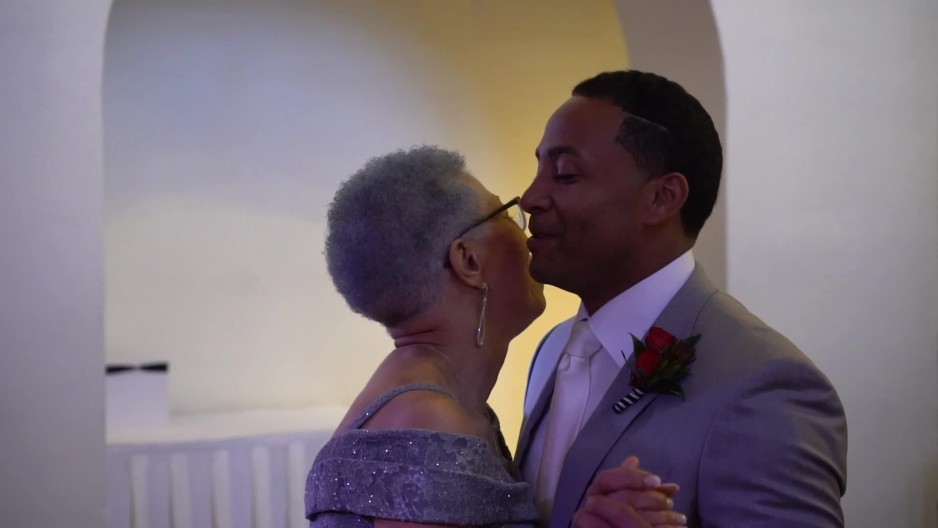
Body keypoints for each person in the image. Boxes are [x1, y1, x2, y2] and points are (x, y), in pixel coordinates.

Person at [515, 70, 848, 528]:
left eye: (565, 175)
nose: (531, 198)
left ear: (662, 198)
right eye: (538, 171)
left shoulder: (764, 386)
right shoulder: (552, 348)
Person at [305, 146, 686, 528]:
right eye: (507, 215)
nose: (527, 233)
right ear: (468, 261)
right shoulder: (427, 421)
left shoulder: (431, 400)